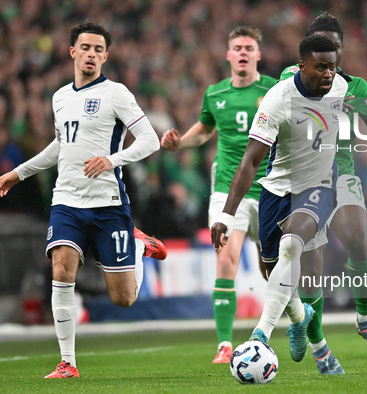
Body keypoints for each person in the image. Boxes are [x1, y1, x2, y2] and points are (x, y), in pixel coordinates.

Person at [0, 20, 167, 379]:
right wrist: (19, 173)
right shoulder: (60, 97)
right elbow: (61, 146)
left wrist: (112, 159)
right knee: (62, 267)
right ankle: (67, 362)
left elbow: (149, 140)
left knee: (124, 298)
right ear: (72, 51)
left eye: (98, 50)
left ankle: (138, 247)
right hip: (67, 201)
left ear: (106, 56)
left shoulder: (117, 93)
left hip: (108, 204)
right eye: (85, 48)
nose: (91, 54)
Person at [211, 34, 348, 364]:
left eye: (333, 67)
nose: (329, 75)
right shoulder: (277, 100)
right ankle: (301, 319)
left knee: (291, 246)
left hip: (318, 186)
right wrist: (227, 215)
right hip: (275, 190)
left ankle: (260, 335)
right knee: (273, 272)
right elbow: (251, 161)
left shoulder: (342, 86)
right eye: (321, 68)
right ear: (302, 66)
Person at [280, 12, 367, 374]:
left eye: (334, 44)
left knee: (357, 239)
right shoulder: (290, 77)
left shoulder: (357, 86)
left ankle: (366, 320)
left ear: (341, 49)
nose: (328, 50)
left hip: (341, 172)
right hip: (300, 178)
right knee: (311, 272)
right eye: (321, 43)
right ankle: (318, 346)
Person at [160, 26, 276, 364]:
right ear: (228, 55)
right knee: (225, 259)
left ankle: (293, 324)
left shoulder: (273, 90)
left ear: (258, 55)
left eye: (249, 47)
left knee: (273, 270)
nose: (242, 52)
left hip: (269, 188)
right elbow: (205, 130)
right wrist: (180, 141)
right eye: (237, 47)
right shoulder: (215, 94)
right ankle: (225, 344)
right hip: (228, 191)